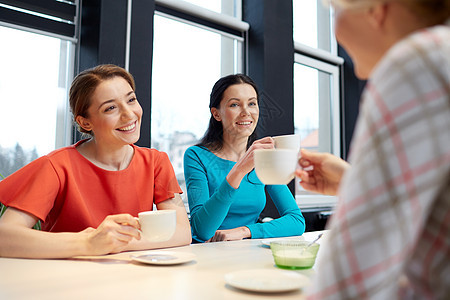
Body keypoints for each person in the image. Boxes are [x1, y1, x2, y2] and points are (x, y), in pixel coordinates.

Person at [295, 1, 450, 299]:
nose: (335, 29)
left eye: (333, 10)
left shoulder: (420, 62)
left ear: (374, 9)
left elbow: (349, 286)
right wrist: (354, 183)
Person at [0, 64, 191, 258]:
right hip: (65, 281)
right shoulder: (56, 166)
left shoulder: (156, 162)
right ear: (85, 122)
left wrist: (113, 242)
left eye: (131, 100)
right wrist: (88, 243)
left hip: (132, 279)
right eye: (110, 108)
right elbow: (3, 237)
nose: (129, 114)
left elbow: (182, 231)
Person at [184, 74, 305, 243]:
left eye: (252, 103)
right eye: (235, 104)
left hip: (248, 252)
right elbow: (202, 230)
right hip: (208, 255)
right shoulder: (196, 156)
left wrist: (245, 231)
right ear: (216, 114)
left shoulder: (265, 158)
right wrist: (240, 170)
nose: (246, 112)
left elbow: (297, 221)